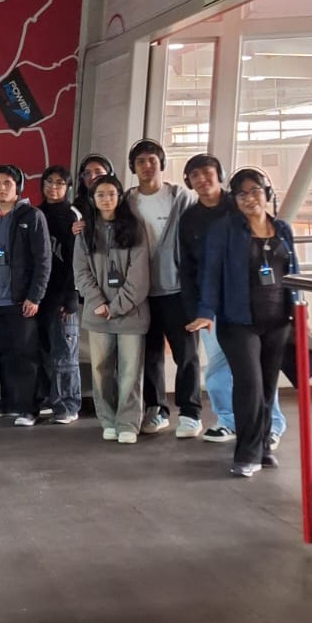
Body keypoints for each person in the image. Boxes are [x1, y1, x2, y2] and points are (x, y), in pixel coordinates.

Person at [191, 168, 298, 478]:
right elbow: (211, 273)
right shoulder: (224, 230)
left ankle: (263, 447)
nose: (250, 198)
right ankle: (246, 455)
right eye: (242, 194)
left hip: (278, 321)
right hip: (238, 321)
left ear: (267, 194)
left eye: (255, 191)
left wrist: (298, 310)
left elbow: (294, 271)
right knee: (249, 385)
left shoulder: (282, 229)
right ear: (234, 199)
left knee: (267, 386)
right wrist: (205, 311)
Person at [126, 139, 201, 438]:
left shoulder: (180, 198)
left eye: (152, 160)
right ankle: (156, 409)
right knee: (150, 354)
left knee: (186, 353)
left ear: (162, 164)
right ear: (133, 167)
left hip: (177, 289)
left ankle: (191, 413)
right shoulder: (127, 201)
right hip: (141, 291)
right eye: (140, 161)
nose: (147, 166)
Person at [73, 174, 151, 445]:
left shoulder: (135, 228)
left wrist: (116, 307)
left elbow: (139, 275)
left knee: (130, 371)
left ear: (120, 196)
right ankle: (107, 420)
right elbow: (81, 272)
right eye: (100, 195)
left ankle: (127, 422)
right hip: (97, 314)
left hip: (131, 313)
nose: (106, 199)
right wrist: (99, 303)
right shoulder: (84, 232)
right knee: (100, 369)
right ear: (92, 199)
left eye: (111, 194)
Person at [0, 165, 52, 427]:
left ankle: (30, 408)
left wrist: (35, 296)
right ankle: (10, 404)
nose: (2, 188)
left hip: (22, 299)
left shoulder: (32, 216)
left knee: (26, 355)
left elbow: (43, 260)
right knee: (4, 353)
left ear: (18, 186)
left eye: (8, 183)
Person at [36, 165, 82, 424]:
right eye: (49, 182)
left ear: (68, 187)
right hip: (40, 296)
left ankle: (68, 405)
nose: (53, 187)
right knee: (43, 351)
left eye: (60, 183)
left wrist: (71, 295)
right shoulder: (36, 213)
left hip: (63, 294)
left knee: (65, 353)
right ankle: (48, 399)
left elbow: (78, 259)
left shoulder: (73, 215)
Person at [72, 154, 114, 228]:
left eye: (98, 172)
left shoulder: (120, 204)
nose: (92, 177)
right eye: (87, 173)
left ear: (109, 175)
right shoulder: (77, 207)